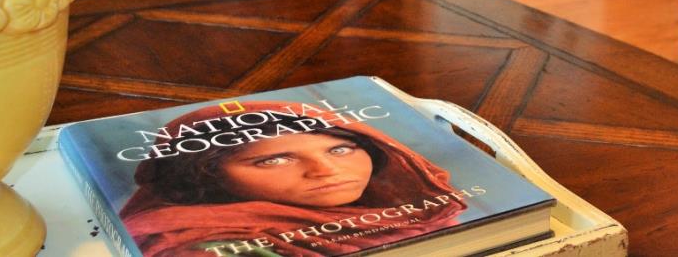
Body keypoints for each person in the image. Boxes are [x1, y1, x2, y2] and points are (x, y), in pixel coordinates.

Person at [120, 100, 467, 257]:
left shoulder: (412, 212)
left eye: (340, 150)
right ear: (203, 177)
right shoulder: (190, 244)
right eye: (275, 159)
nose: (326, 171)